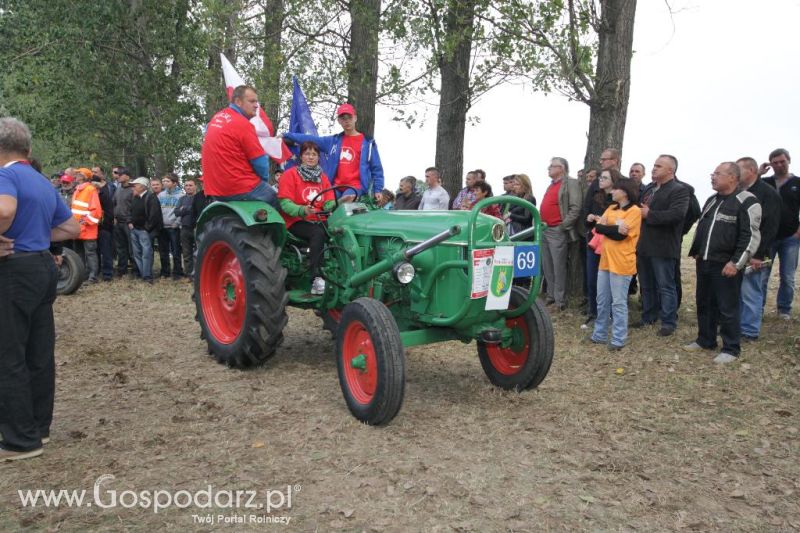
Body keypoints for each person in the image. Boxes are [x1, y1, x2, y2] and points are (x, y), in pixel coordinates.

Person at [0, 117, 80, 462]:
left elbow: (5, 211)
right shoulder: (41, 180)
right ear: (27, 149)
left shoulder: (6, 175)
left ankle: (20, 440)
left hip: (13, 269)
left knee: (9, 354)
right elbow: (71, 226)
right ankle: (38, 428)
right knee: (38, 351)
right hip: (42, 267)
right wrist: (33, 236)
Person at [685, 162, 761, 364]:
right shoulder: (711, 199)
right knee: (704, 302)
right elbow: (703, 226)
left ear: (732, 178)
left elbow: (750, 236)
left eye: (717, 174)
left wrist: (736, 263)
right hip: (705, 261)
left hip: (726, 264)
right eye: (712, 173)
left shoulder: (747, 201)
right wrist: (697, 251)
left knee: (727, 307)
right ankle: (705, 340)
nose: (712, 177)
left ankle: (731, 348)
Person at [635, 155, 689, 336]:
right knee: (646, 284)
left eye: (658, 166)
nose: (653, 168)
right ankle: (648, 316)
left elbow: (676, 215)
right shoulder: (650, 189)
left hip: (663, 246)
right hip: (644, 245)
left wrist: (650, 214)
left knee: (666, 285)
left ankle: (668, 321)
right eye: (654, 165)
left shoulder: (679, 190)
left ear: (670, 170)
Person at [283, 103, 384, 198]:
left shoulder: (367, 143)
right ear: (339, 121)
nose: (347, 121)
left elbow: (377, 168)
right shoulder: (333, 141)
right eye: (343, 118)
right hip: (335, 186)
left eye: (350, 117)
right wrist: (287, 135)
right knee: (324, 201)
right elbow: (311, 139)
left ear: (355, 118)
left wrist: (378, 189)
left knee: (347, 199)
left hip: (355, 187)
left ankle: (341, 205)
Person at [201, 85, 277, 206]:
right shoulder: (242, 124)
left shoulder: (215, 119)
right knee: (279, 201)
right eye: (252, 101)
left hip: (215, 189)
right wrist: (263, 183)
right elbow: (260, 162)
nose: (256, 105)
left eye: (257, 101)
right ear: (238, 102)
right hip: (238, 187)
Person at [590, 179, 642, 350]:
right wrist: (613, 228)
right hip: (605, 261)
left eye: (616, 189)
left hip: (622, 262)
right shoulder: (611, 208)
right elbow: (598, 228)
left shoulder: (634, 211)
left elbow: (622, 237)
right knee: (602, 299)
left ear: (625, 192)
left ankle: (619, 339)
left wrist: (608, 228)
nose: (612, 192)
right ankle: (599, 334)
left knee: (618, 303)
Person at [277, 142, 336, 295]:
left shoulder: (322, 178)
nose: (311, 157)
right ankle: (316, 278)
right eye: (307, 154)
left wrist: (335, 204)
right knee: (318, 233)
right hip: (295, 220)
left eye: (314, 154)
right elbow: (285, 203)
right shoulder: (290, 175)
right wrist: (302, 209)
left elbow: (329, 200)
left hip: (317, 219)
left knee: (339, 230)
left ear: (318, 157)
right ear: (301, 157)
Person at [736, 157, 781, 341]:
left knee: (751, 291)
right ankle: (737, 326)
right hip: (739, 251)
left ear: (752, 171)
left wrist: (759, 254)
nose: (736, 175)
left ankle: (749, 331)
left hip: (755, 253)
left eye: (739, 170)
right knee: (738, 291)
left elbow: (769, 228)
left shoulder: (768, 194)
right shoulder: (738, 192)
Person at [760, 148, 800, 320]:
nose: (779, 165)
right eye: (775, 162)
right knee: (762, 275)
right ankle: (757, 307)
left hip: (790, 237)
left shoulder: (797, 183)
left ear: (789, 160)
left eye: (782, 161)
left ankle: (784, 309)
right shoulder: (764, 183)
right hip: (767, 237)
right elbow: (742, 189)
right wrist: (759, 174)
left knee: (787, 276)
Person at [539, 157, 582, 311]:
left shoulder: (570, 183)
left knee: (558, 266)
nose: (548, 168)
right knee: (547, 265)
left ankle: (560, 301)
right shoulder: (551, 185)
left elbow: (575, 207)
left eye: (552, 166)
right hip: (544, 229)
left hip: (557, 230)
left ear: (561, 168)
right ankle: (550, 296)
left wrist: (562, 226)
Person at [583, 168, 622, 328]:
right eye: (600, 177)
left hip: (611, 244)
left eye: (604, 177)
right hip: (594, 242)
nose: (600, 180)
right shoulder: (595, 195)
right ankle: (593, 313)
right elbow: (586, 215)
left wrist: (604, 222)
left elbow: (621, 224)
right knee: (592, 280)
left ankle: (610, 315)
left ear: (613, 180)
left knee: (609, 282)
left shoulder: (619, 200)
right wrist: (590, 218)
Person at [70, 167, 102, 282]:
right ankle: (82, 275)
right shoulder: (77, 189)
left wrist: (85, 221)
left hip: (88, 229)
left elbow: (96, 211)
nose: (77, 175)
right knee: (79, 253)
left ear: (84, 176)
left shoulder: (90, 189)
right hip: (77, 228)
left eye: (79, 173)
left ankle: (93, 277)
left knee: (90, 253)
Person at [129, 177, 163, 283]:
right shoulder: (135, 197)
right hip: (134, 230)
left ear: (142, 187)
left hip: (144, 231)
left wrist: (146, 229)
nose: (132, 187)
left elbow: (154, 215)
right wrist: (130, 222)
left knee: (146, 254)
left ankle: (147, 276)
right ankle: (142, 273)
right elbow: (130, 211)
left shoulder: (151, 197)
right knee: (137, 253)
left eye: (135, 185)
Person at [157, 173, 184, 279]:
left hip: (174, 227)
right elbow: (158, 211)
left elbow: (182, 212)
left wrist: (176, 223)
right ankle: (165, 271)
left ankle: (177, 272)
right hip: (163, 227)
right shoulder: (160, 195)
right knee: (163, 251)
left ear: (174, 183)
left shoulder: (181, 196)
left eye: (167, 181)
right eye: (163, 181)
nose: (164, 183)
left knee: (176, 251)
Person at [112, 167, 136, 277]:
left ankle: (136, 270)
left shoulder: (134, 189)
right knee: (120, 248)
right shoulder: (118, 188)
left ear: (127, 176)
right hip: (118, 222)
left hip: (129, 223)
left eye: (121, 174)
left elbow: (136, 207)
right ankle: (122, 270)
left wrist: (131, 220)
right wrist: (114, 216)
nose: (118, 176)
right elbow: (114, 203)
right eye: (118, 174)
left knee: (132, 248)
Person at [174, 178, 198, 278]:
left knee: (198, 252)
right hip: (184, 228)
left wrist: (184, 209)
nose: (188, 187)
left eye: (190, 185)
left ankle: (198, 274)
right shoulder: (182, 199)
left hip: (197, 228)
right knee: (186, 252)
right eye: (186, 185)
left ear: (195, 186)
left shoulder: (199, 198)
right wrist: (188, 209)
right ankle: (189, 274)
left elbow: (196, 210)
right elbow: (176, 212)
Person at [92, 171, 115, 281]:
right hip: (92, 228)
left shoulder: (105, 195)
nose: (94, 186)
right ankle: (96, 271)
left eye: (95, 184)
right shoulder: (90, 195)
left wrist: (105, 225)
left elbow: (110, 212)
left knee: (106, 251)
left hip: (104, 228)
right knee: (95, 251)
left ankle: (108, 273)